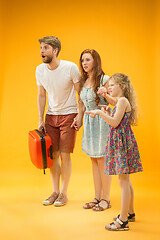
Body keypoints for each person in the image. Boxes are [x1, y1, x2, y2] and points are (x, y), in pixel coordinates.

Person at [86, 73, 143, 230]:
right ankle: (130, 213)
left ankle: (123, 220)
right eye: (108, 85)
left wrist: (99, 113)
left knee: (123, 181)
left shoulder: (123, 101)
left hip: (121, 143)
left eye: (112, 85)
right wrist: (108, 110)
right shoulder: (120, 102)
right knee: (126, 180)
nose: (108, 87)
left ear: (122, 87)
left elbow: (114, 122)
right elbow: (116, 118)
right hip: (121, 141)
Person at [36, 36, 82, 207]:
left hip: (69, 115)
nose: (42, 51)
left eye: (46, 47)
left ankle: (64, 193)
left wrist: (80, 115)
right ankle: (54, 192)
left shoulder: (70, 67)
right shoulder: (39, 70)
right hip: (50, 116)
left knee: (64, 155)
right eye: (41, 47)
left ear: (55, 51)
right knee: (52, 155)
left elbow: (80, 93)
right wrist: (41, 118)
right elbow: (41, 95)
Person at [73, 49, 113, 211]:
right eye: (82, 60)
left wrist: (106, 97)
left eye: (88, 60)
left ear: (96, 61)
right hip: (89, 124)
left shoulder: (105, 79)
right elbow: (81, 104)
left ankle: (106, 199)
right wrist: (78, 120)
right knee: (94, 160)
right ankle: (97, 197)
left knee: (102, 160)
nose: (84, 63)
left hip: (102, 123)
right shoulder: (83, 81)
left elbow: (115, 101)